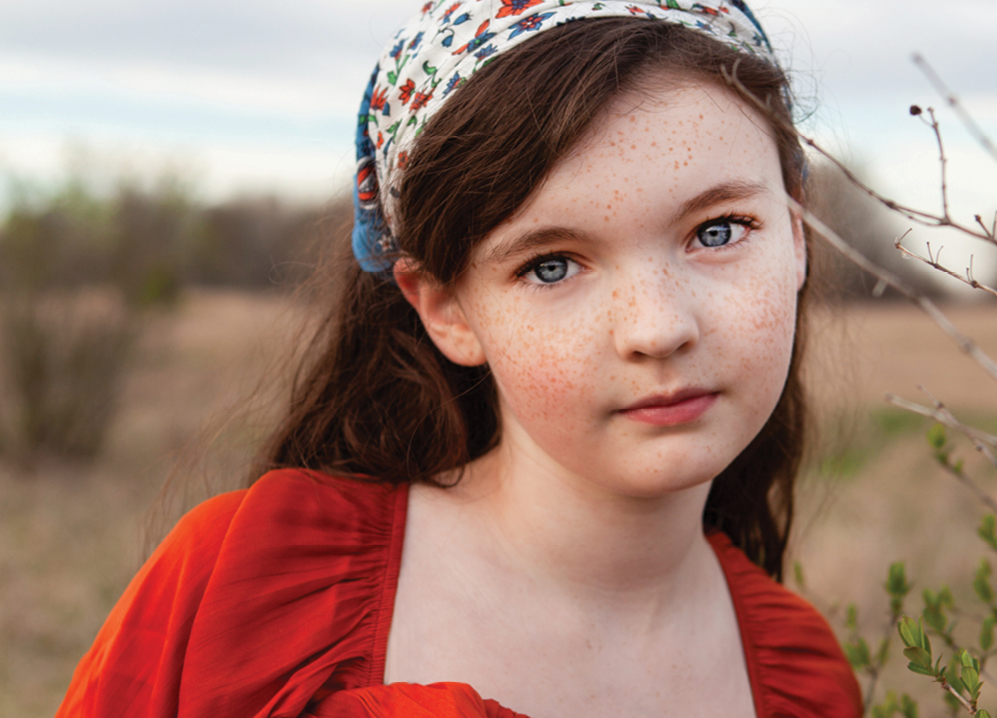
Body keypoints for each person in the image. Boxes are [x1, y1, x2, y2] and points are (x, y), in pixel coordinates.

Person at [57, 1, 861, 716]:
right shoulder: (241, 586)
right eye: (550, 264)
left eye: (716, 231)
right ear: (444, 308)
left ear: (796, 234)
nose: (656, 329)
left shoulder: (803, 683)